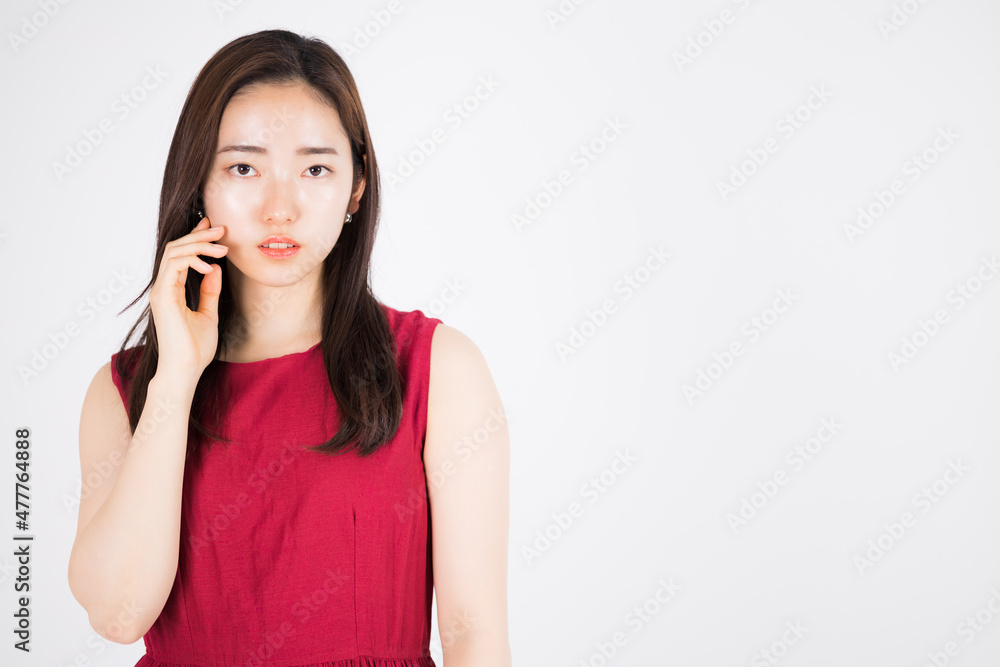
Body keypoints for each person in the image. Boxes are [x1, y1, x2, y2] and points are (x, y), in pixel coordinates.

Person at [67, 29, 511, 666]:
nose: (281, 208)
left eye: (316, 168)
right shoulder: (125, 390)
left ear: (356, 188)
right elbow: (117, 613)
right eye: (244, 167)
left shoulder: (438, 369)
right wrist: (175, 378)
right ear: (200, 185)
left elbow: (476, 638)